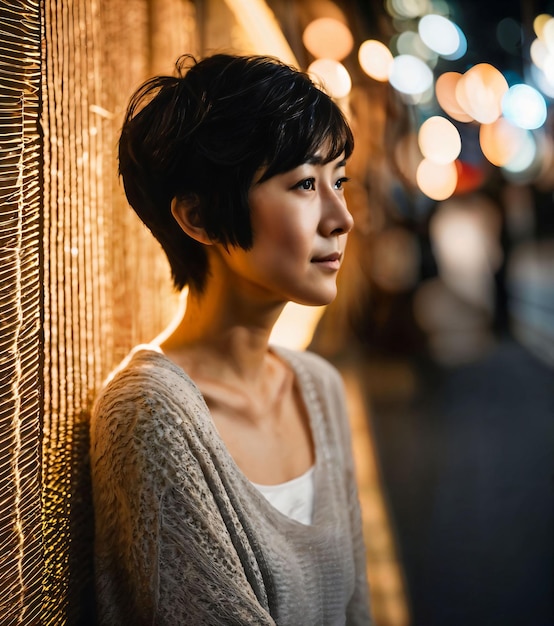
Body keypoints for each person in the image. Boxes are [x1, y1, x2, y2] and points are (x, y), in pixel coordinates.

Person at [90, 53, 372, 625]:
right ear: (198, 217)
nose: (340, 216)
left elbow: (356, 610)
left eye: (338, 181)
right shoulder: (150, 415)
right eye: (303, 184)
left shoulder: (318, 386)